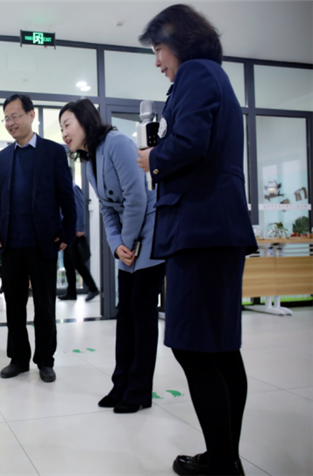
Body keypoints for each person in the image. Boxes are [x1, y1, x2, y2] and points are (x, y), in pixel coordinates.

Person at [137, 5, 257, 475]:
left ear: (179, 41)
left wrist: (152, 157)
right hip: (213, 230)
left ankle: (223, 463)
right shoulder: (211, 77)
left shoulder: (198, 74)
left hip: (202, 230)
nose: (157, 61)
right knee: (221, 347)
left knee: (192, 346)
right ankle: (224, 456)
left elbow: (187, 144)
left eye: (158, 49)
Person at [60, 99, 165, 414]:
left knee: (142, 313)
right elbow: (106, 208)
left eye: (68, 124)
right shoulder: (89, 159)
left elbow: (136, 197)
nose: (64, 132)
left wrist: (128, 242)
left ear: (86, 121)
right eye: (61, 127)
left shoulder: (117, 142)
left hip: (150, 230)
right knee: (125, 314)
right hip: (129, 239)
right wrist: (116, 243)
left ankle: (139, 390)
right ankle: (121, 384)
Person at [0, 93, 76, 383]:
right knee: (13, 305)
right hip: (11, 244)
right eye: (7, 118)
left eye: (15, 116)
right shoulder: (2, 158)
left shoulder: (53, 152)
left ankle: (45, 360)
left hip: (43, 243)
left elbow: (67, 196)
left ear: (31, 115)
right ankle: (19, 359)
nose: (11, 122)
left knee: (45, 306)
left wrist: (67, 231)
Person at [58, 183, 100, 302]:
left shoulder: (73, 188)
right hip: (66, 232)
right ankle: (71, 292)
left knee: (77, 262)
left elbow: (79, 209)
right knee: (68, 263)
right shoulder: (64, 188)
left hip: (74, 232)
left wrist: (79, 228)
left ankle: (92, 287)